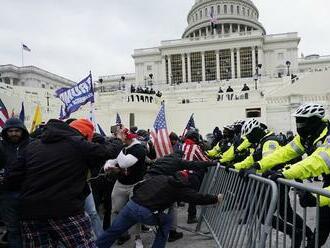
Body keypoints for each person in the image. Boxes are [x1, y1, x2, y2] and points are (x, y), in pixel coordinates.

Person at [5, 119, 121, 247]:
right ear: (85, 135)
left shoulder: (32, 146)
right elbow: (108, 151)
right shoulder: (77, 143)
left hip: (30, 213)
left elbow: (12, 177)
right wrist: (119, 139)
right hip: (64, 210)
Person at [257, 103, 329, 247]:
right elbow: (284, 152)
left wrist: (285, 173)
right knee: (323, 224)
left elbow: (317, 161)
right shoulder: (307, 137)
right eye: (298, 121)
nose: (299, 125)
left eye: (302, 121)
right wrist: (260, 164)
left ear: (314, 121)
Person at [96, 172, 223, 248]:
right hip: (145, 212)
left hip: (131, 205)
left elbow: (140, 185)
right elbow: (197, 198)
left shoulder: (161, 177)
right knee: (167, 221)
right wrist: (215, 199)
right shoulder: (181, 189)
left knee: (114, 231)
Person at [104, 128, 146, 248]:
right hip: (121, 183)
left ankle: (137, 238)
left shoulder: (139, 149)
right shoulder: (123, 148)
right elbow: (114, 160)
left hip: (135, 184)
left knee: (135, 212)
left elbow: (124, 163)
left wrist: (119, 142)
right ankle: (121, 234)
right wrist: (108, 165)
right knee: (116, 210)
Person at [0, 117, 30, 248]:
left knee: (31, 228)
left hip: (30, 194)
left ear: (22, 131)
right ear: (6, 132)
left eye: (17, 130)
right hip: (7, 195)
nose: (13, 133)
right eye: (10, 131)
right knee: (13, 230)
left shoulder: (33, 145)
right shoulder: (0, 147)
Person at [182, 129, 210, 224]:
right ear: (195, 138)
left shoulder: (183, 146)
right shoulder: (194, 147)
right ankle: (191, 216)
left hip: (181, 174)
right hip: (191, 175)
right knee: (193, 195)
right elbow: (204, 159)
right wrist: (213, 162)